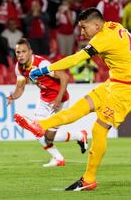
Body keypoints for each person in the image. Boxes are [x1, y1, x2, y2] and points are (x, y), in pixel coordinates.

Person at [13, 8, 131, 190]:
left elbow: (76, 59)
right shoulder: (114, 26)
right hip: (115, 82)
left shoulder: (102, 38)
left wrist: (46, 69)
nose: (82, 32)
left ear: (96, 25)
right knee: (81, 107)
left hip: (128, 89)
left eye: (84, 28)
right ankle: (41, 126)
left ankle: (89, 179)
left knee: (99, 129)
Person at [6, 38, 88, 167]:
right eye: (17, 52)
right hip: (44, 100)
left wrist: (58, 98)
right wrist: (13, 97)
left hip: (60, 100)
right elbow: (20, 88)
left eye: (23, 51)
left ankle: (79, 136)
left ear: (30, 52)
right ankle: (58, 158)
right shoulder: (19, 68)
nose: (20, 55)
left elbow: (65, 77)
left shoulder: (41, 64)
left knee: (48, 136)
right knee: (38, 132)